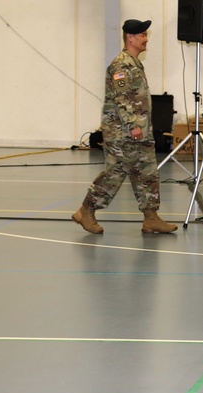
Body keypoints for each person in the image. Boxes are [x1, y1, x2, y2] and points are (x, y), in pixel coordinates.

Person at [73, 19, 178, 235]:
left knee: (147, 171)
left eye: (146, 35)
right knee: (116, 173)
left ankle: (151, 218)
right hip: (123, 132)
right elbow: (123, 98)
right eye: (142, 35)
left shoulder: (134, 63)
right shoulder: (121, 65)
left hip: (139, 130)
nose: (146, 39)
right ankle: (86, 210)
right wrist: (133, 125)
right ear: (130, 37)